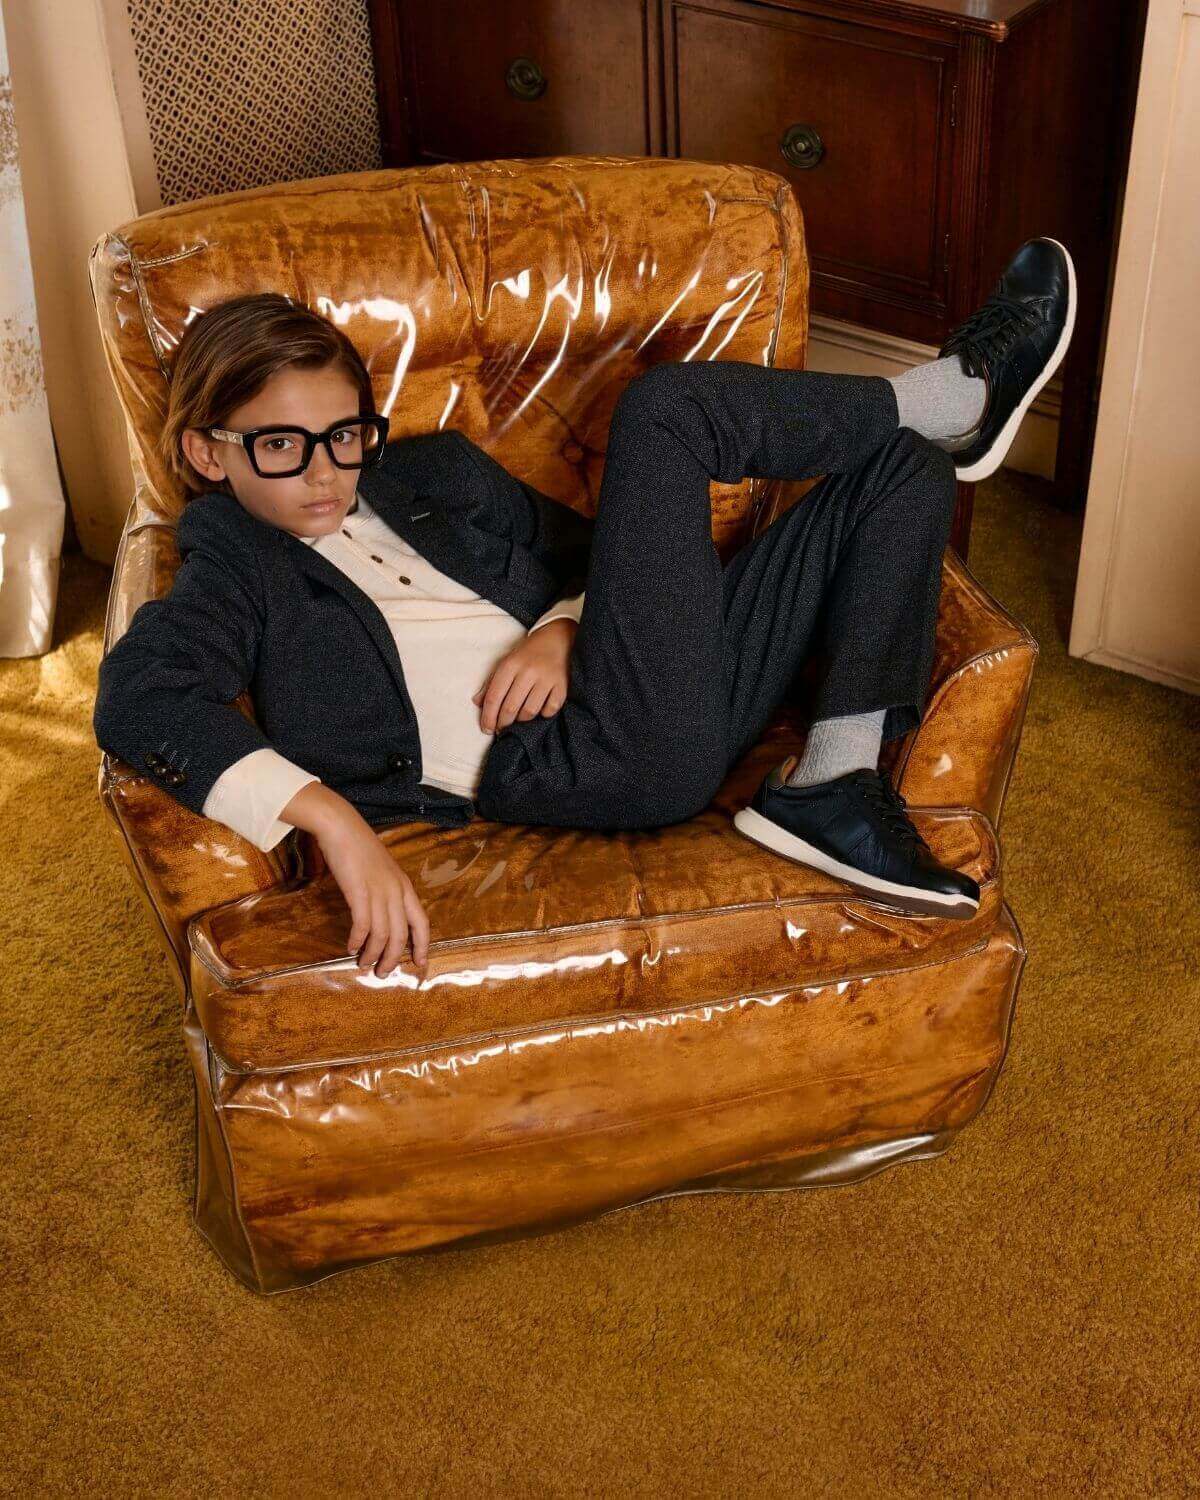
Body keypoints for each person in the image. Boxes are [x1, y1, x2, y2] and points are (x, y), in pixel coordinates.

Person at [93, 237, 1076, 982]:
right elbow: (140, 701)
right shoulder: (232, 565)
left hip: (643, 678)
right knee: (665, 414)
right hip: (590, 760)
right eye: (280, 448)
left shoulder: (428, 472)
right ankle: (957, 395)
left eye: (345, 436)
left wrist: (565, 623)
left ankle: (836, 776)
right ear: (208, 454)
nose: (326, 473)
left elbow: (593, 554)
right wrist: (335, 822)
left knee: (898, 465)